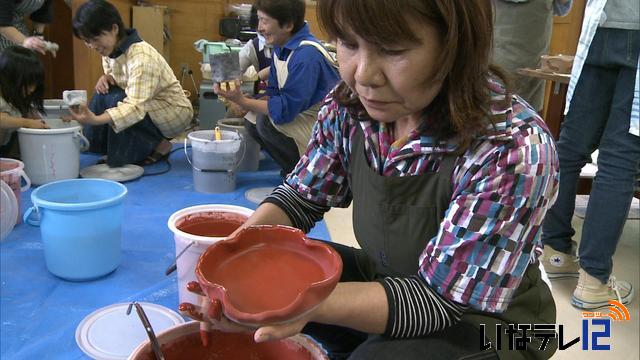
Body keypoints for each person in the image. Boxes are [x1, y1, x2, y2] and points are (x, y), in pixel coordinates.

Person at [182, 1, 561, 359]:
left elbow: (441, 300)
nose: (363, 75)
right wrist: (234, 253)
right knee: (271, 267)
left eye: (393, 49)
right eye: (348, 43)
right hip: (395, 279)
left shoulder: (513, 147)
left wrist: (306, 305)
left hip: (492, 323)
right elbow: (301, 195)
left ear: (455, 46)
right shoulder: (349, 105)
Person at [540, 0, 639, 310]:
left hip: (601, 22)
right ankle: (593, 281)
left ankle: (554, 252)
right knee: (619, 159)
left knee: (570, 148)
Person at [215, 0, 339, 176]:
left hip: (327, 127)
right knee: (253, 118)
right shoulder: (279, 47)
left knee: (266, 121)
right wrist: (246, 102)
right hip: (302, 113)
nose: (259, 28)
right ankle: (291, 169)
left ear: (288, 24)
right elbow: (273, 92)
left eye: (265, 21)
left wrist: (242, 100)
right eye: (258, 20)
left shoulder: (306, 55)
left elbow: (284, 109)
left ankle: (303, 173)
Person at [68, 0, 193, 167]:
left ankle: (158, 144)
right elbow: (117, 76)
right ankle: (98, 149)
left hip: (172, 111)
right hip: (147, 104)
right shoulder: (111, 49)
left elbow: (135, 107)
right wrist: (106, 77)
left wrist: (96, 119)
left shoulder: (142, 57)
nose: (92, 46)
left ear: (114, 28)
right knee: (104, 91)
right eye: (87, 41)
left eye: (95, 39)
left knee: (118, 101)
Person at [491, 0, 573, 112]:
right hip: (532, 63)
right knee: (527, 119)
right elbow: (561, 7)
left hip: (491, 60)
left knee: (489, 116)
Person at [0, 46, 49, 158]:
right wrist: (27, 122)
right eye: (29, 83)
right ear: (11, 78)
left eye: (35, 84)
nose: (32, 89)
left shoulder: (16, 96)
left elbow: (34, 118)